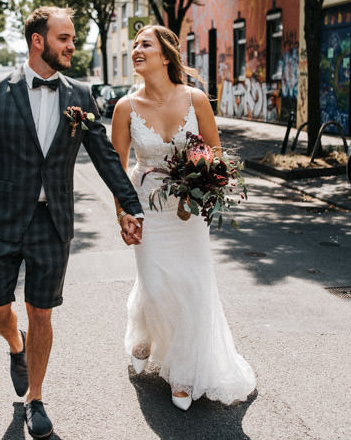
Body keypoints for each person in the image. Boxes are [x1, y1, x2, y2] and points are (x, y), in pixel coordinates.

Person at [0, 6, 145, 440]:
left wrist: (129, 206)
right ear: (38, 41)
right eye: (64, 38)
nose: (72, 46)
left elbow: (104, 157)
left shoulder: (80, 94)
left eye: (73, 38)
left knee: (42, 313)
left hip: (52, 223)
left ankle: (35, 398)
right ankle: (14, 344)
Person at [110, 25, 256, 411]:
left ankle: (184, 372)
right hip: (147, 205)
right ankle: (145, 330)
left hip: (188, 211)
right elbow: (115, 167)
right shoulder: (125, 107)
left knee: (190, 284)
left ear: (165, 54)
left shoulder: (195, 99)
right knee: (156, 282)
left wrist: (204, 185)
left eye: (145, 44)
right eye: (135, 44)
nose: (137, 49)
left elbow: (216, 156)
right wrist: (123, 213)